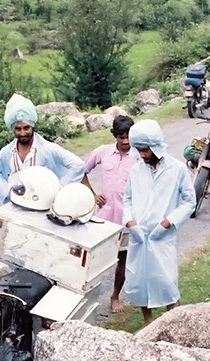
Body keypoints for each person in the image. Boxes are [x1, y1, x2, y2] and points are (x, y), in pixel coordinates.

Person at [122, 119, 196, 327]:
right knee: (141, 280)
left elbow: (190, 202)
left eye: (145, 150)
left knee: (166, 280)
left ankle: (176, 321)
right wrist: (129, 221)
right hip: (139, 235)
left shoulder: (177, 169)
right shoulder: (136, 171)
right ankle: (148, 323)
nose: (142, 155)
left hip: (161, 236)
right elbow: (127, 199)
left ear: (156, 147)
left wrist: (168, 222)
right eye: (139, 150)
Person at [82, 115, 139, 312]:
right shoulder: (103, 152)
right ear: (114, 135)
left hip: (127, 219)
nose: (125, 141)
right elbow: (81, 170)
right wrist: (93, 194)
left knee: (122, 260)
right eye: (121, 137)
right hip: (103, 219)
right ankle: (84, 297)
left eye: (128, 137)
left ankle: (115, 296)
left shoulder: (139, 156)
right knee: (91, 259)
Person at [0, 93, 85, 203]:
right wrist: (7, 192)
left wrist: (58, 189)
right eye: (18, 129)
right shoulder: (6, 152)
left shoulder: (48, 149)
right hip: (15, 204)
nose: (22, 133)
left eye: (26, 128)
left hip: (43, 204)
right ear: (13, 129)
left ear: (32, 126)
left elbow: (78, 165)